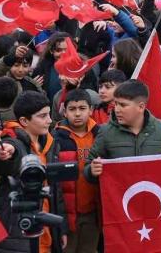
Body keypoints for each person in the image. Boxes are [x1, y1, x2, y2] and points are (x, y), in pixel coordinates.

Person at [0, 91, 68, 253]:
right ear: (24, 121)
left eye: (49, 115)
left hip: (47, 229)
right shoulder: (12, 141)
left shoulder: (51, 145)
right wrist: (6, 154)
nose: (49, 120)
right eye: (42, 116)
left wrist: (61, 228)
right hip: (17, 233)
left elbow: (56, 192)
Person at [84, 80, 161, 179]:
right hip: (120, 192)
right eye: (116, 104)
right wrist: (91, 171)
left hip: (153, 191)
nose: (117, 109)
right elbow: (88, 166)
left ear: (141, 107)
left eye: (123, 105)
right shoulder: (106, 131)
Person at [53, 89, 99, 253]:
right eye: (72, 109)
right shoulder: (55, 138)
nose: (77, 114)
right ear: (65, 112)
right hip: (67, 212)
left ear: (91, 110)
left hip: (93, 211)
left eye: (82, 108)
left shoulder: (100, 135)